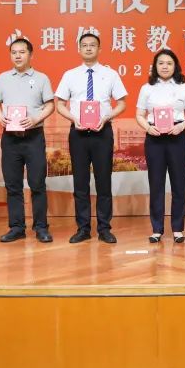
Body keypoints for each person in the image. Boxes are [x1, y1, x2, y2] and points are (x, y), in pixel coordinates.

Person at [54, 33, 128, 244]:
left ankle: (104, 228)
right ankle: (83, 228)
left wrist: (107, 117)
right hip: (78, 132)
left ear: (99, 49)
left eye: (92, 45)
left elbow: (122, 103)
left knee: (103, 181)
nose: (88, 48)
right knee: (80, 182)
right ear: (79, 49)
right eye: (84, 45)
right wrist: (73, 118)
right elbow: (59, 104)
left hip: (102, 132)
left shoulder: (110, 74)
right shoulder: (70, 75)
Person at [0, 38, 55, 243]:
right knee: (13, 185)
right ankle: (17, 227)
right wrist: (0, 117)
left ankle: (41, 227)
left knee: (37, 184)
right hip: (10, 138)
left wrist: (35, 119)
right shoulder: (3, 78)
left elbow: (50, 105)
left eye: (22, 52)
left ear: (30, 55)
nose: (17, 56)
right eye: (14, 52)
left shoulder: (42, 78)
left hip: (34, 137)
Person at [135, 49, 185, 244]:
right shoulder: (147, 88)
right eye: (161, 63)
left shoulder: (184, 88)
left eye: (169, 63)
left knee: (179, 184)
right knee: (156, 184)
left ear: (175, 66)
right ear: (155, 66)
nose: (165, 66)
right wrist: (148, 128)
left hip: (177, 137)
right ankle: (157, 229)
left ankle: (178, 229)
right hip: (154, 138)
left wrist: (180, 127)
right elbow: (139, 115)